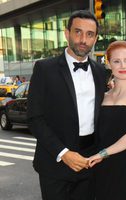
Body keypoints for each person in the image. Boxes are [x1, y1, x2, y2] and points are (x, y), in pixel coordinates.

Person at [27, 10, 106, 200]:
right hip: (55, 163)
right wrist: (64, 153)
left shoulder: (100, 71)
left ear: (95, 38)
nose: (83, 39)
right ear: (66, 33)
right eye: (78, 32)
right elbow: (34, 118)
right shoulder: (44, 69)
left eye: (89, 34)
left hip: (89, 162)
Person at [89, 41, 126, 200]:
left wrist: (102, 154)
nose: (123, 65)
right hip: (104, 167)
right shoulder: (102, 96)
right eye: (117, 61)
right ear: (108, 64)